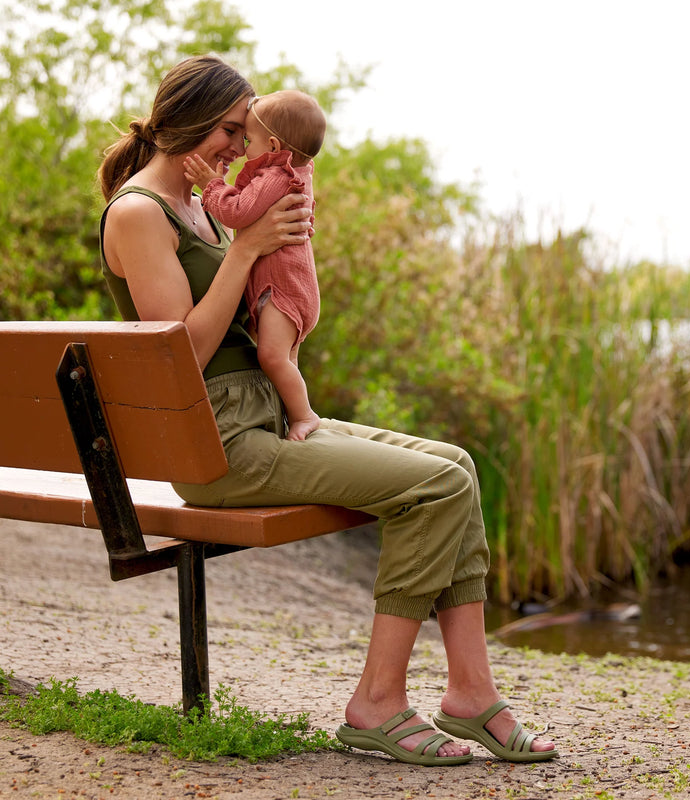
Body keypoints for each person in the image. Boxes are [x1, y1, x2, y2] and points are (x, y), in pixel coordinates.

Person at [97, 54, 558, 767]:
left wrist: (277, 249)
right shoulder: (136, 212)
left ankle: (471, 691)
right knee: (432, 488)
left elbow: (256, 305)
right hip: (217, 447)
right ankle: (376, 703)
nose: (241, 146)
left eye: (243, 133)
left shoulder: (200, 204)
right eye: (230, 130)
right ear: (184, 118)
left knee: (454, 466)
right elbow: (182, 351)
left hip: (258, 422)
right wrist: (246, 247)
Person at [182, 90, 326, 441]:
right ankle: (294, 416)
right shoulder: (297, 172)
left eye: (247, 139)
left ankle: (305, 416)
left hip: (282, 292)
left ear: (274, 147)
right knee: (282, 360)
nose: (243, 149)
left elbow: (237, 212)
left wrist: (211, 186)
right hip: (293, 290)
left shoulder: (276, 177)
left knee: (272, 358)